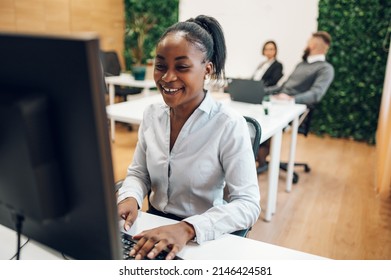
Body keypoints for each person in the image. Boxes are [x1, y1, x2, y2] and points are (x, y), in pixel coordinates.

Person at [117, 15, 261, 260]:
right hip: (149, 226)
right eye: (160, 66)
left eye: (182, 67)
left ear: (207, 69)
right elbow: (139, 173)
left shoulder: (228, 124)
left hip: (199, 238)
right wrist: (130, 196)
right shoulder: (152, 115)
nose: (167, 77)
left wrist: (188, 228)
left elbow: (248, 204)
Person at [257, 31, 334, 172]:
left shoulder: (325, 69)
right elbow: (282, 87)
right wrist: (259, 90)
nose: (306, 46)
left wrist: (292, 99)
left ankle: (261, 161)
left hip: (294, 108)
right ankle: (259, 158)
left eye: (308, 43)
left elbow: (316, 94)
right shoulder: (301, 65)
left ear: (314, 45)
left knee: (263, 122)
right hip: (278, 101)